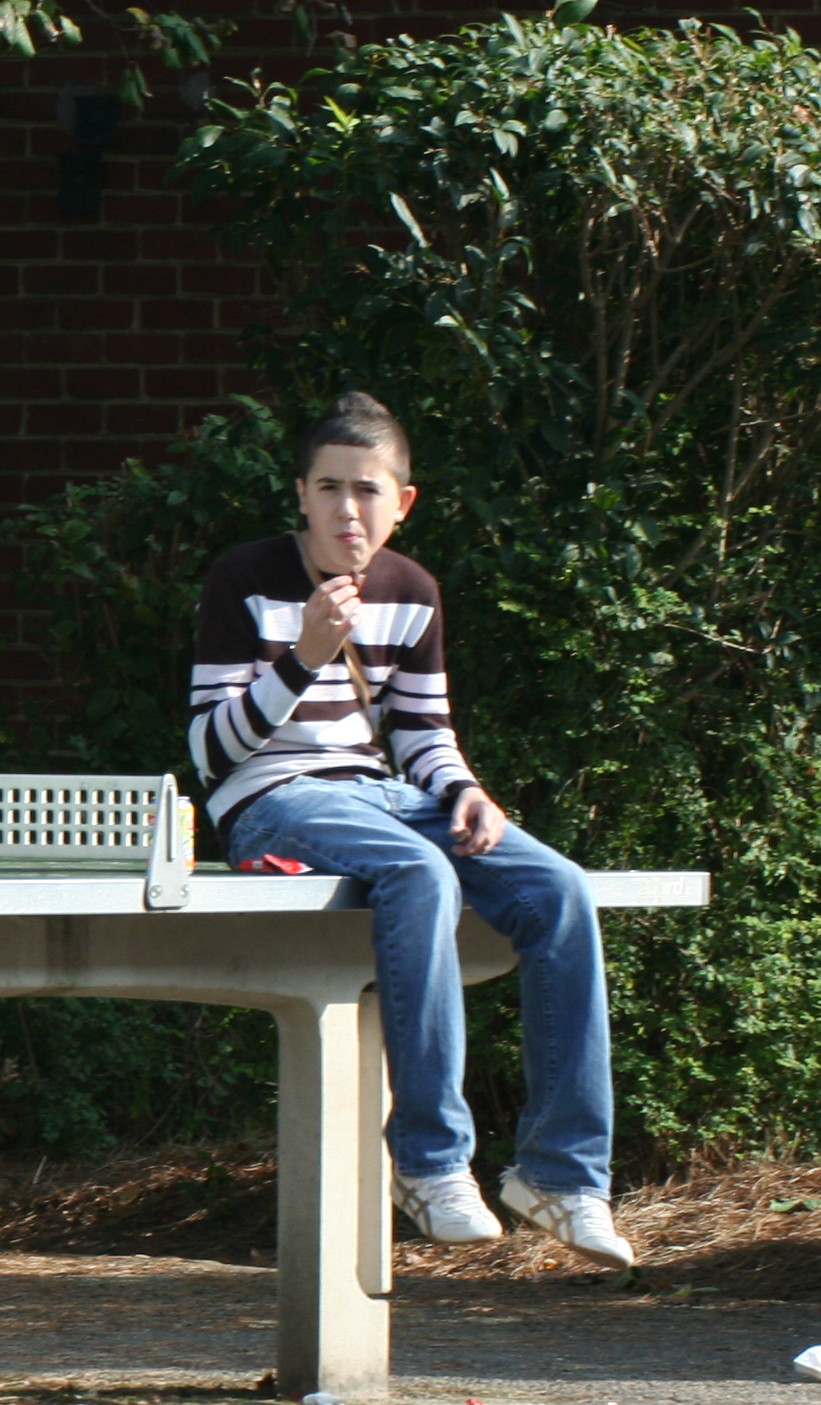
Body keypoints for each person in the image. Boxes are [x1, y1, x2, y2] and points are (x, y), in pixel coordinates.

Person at [188, 390, 630, 1267]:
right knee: (420, 875)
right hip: (273, 798)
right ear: (301, 494)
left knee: (560, 889)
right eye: (328, 488)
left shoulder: (412, 590)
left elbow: (424, 734)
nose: (347, 510)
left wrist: (465, 791)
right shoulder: (244, 578)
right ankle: (431, 1164)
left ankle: (562, 1175)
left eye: (367, 490)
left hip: (382, 794)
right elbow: (210, 752)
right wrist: (304, 656)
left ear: (403, 501)